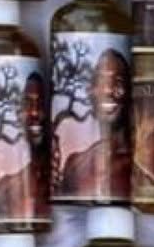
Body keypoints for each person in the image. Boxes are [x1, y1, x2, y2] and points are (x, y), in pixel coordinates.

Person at [0, 72, 50, 224]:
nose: (34, 112)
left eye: (40, 104)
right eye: (27, 104)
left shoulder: (70, 173)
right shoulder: (5, 188)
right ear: (19, 114)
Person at [54, 47, 131, 199]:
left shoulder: (140, 163)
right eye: (101, 81)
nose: (108, 90)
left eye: (118, 82)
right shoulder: (74, 165)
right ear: (91, 90)